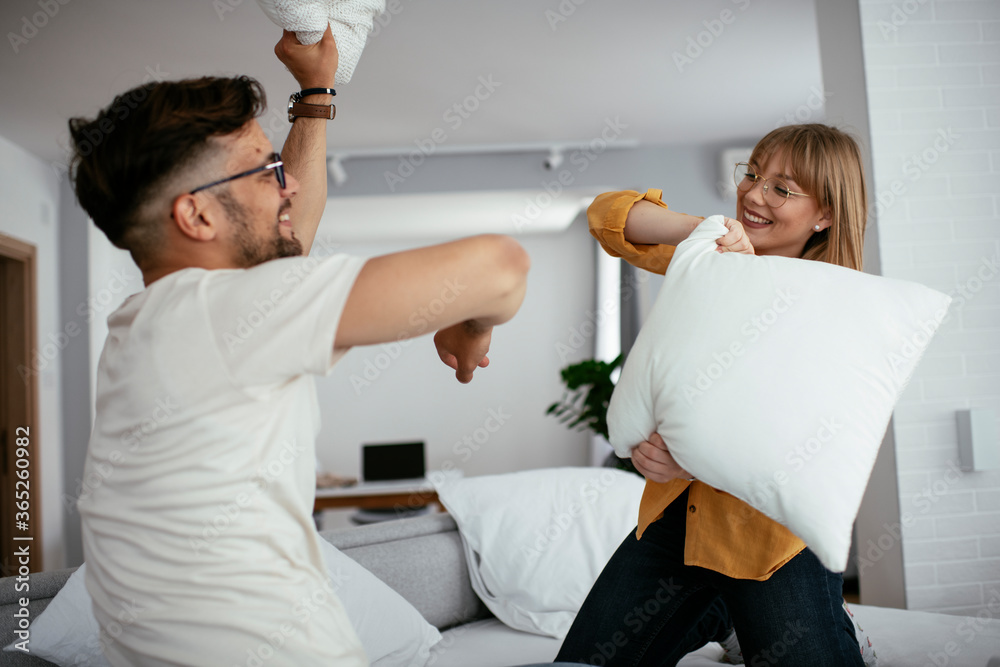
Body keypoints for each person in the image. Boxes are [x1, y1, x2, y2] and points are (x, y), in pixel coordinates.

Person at [70, 28, 531, 666]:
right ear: (197, 217)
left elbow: (290, 238)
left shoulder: (151, 324)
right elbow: (502, 266)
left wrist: (315, 94)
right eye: (265, 172)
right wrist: (472, 325)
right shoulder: (218, 314)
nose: (284, 186)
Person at [554, 124, 869, 667]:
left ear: (825, 215)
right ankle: (723, 616)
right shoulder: (710, 259)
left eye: (781, 189)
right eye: (752, 174)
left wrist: (692, 455)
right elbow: (607, 216)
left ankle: (790, 622)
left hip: (774, 542)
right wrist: (702, 229)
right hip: (679, 520)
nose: (753, 194)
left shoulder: (838, 308)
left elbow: (810, 444)